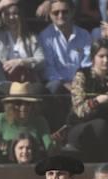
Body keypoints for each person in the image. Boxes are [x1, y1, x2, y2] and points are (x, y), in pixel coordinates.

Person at [67, 38, 108, 161]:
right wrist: (97, 101)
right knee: (100, 125)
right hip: (81, 125)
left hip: (107, 123)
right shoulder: (82, 75)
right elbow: (78, 110)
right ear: (93, 57)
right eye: (101, 56)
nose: (105, 60)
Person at [39, 0, 92, 128]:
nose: (60, 16)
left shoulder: (84, 35)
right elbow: (49, 68)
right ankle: (59, 128)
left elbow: (87, 64)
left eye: (64, 12)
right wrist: (66, 84)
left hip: (81, 82)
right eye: (56, 12)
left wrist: (78, 84)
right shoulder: (45, 36)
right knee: (54, 87)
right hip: (58, 83)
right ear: (50, 15)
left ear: (72, 12)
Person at [0, 0, 45, 94]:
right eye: (7, 14)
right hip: (2, 83)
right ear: (1, 16)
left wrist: (21, 62)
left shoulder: (31, 37)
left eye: (15, 13)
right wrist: (3, 3)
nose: (11, 17)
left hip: (27, 83)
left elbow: (41, 60)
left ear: (21, 15)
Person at [0, 82, 54, 154]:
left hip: (32, 163)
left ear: (33, 105)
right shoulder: (1, 119)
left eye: (27, 103)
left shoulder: (40, 121)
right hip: (5, 162)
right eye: (18, 103)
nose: (23, 107)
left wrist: (56, 143)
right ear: (10, 105)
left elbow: (49, 148)